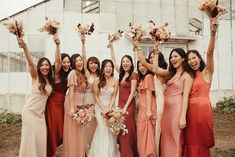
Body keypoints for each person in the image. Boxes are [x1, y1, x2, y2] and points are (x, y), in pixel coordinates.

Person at [184, 18, 218, 157]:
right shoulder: (188, 75)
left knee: (201, 141)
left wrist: (212, 34)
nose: (192, 61)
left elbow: (209, 53)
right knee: (190, 141)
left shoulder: (207, 72)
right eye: (189, 60)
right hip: (189, 111)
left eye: (194, 58)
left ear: (199, 58)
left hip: (202, 111)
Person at [17, 37, 53, 157]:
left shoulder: (50, 81)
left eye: (47, 65)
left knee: (41, 138)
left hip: (40, 115)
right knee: (30, 139)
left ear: (49, 67)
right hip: (30, 112)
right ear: (39, 67)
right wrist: (25, 48)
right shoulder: (35, 77)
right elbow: (31, 63)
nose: (44, 67)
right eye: (42, 65)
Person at [133, 42, 167, 156]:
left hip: (159, 102)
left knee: (154, 130)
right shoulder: (151, 73)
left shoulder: (158, 71)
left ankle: (152, 153)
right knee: (154, 130)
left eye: (154, 57)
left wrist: (148, 109)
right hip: (154, 102)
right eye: (150, 57)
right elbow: (143, 61)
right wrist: (137, 47)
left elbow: (148, 93)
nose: (151, 59)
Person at [109, 42, 138, 157]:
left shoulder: (133, 75)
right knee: (120, 130)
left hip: (128, 107)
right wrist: (111, 46)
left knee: (127, 130)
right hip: (120, 106)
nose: (125, 63)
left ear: (131, 64)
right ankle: (123, 153)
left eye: (127, 61)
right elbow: (113, 60)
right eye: (123, 61)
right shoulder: (122, 73)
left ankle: (129, 154)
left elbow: (132, 93)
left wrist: (125, 107)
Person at [45, 34, 71, 157]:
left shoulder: (68, 76)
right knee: (53, 130)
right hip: (53, 106)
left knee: (60, 130)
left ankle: (52, 151)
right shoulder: (56, 74)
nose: (66, 64)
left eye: (68, 62)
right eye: (64, 62)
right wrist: (57, 45)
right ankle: (49, 152)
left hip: (62, 106)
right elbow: (58, 61)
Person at [88, 59, 120, 157]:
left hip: (110, 107)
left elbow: (114, 96)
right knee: (102, 129)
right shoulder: (97, 80)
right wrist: (102, 109)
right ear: (103, 68)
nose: (108, 68)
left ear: (112, 68)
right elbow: (96, 96)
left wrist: (110, 109)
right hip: (99, 108)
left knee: (110, 130)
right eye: (106, 66)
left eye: (110, 66)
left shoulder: (115, 80)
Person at [62, 53, 88, 157]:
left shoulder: (82, 74)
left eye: (80, 60)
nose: (79, 62)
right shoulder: (72, 73)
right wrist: (72, 107)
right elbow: (71, 91)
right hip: (72, 103)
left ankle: (79, 153)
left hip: (80, 103)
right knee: (72, 131)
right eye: (76, 61)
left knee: (79, 131)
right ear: (73, 63)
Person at [80, 34, 100, 155]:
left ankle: (94, 150)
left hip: (97, 102)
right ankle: (86, 150)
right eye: (91, 63)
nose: (93, 65)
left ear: (98, 65)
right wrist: (83, 42)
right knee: (86, 126)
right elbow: (83, 57)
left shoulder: (100, 76)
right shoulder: (87, 74)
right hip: (87, 100)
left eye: (95, 63)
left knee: (96, 126)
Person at [136, 59, 157, 157]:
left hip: (147, 108)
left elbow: (149, 93)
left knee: (147, 135)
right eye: (139, 66)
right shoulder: (142, 78)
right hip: (142, 108)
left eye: (143, 65)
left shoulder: (148, 76)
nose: (141, 68)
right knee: (142, 133)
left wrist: (148, 110)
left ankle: (148, 154)